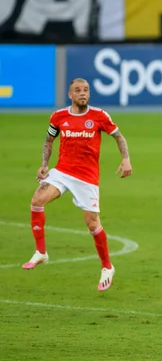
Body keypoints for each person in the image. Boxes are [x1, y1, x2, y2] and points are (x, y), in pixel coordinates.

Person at [22, 78, 133, 292]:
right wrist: (44, 165)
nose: (83, 93)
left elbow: (119, 137)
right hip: (62, 171)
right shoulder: (59, 116)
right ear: (70, 94)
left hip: (87, 177)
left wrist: (126, 159)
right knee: (37, 201)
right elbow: (48, 141)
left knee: (92, 224)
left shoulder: (99, 116)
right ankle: (41, 252)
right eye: (78, 90)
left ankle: (107, 267)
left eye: (86, 90)